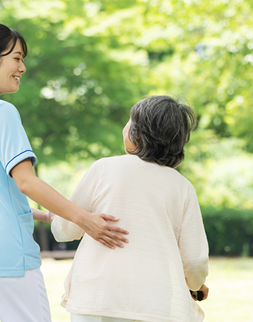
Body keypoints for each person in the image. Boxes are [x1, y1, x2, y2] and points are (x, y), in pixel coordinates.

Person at [0, 22, 129, 322]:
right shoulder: (0, 112)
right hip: (3, 254)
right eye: (17, 58)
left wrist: (45, 215)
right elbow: (25, 182)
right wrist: (85, 220)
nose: (22, 67)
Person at [34, 95, 210, 322]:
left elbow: (64, 229)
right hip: (153, 305)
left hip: (95, 299)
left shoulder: (104, 169)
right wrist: (196, 284)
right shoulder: (183, 188)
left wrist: (47, 217)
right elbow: (194, 260)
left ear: (137, 133)